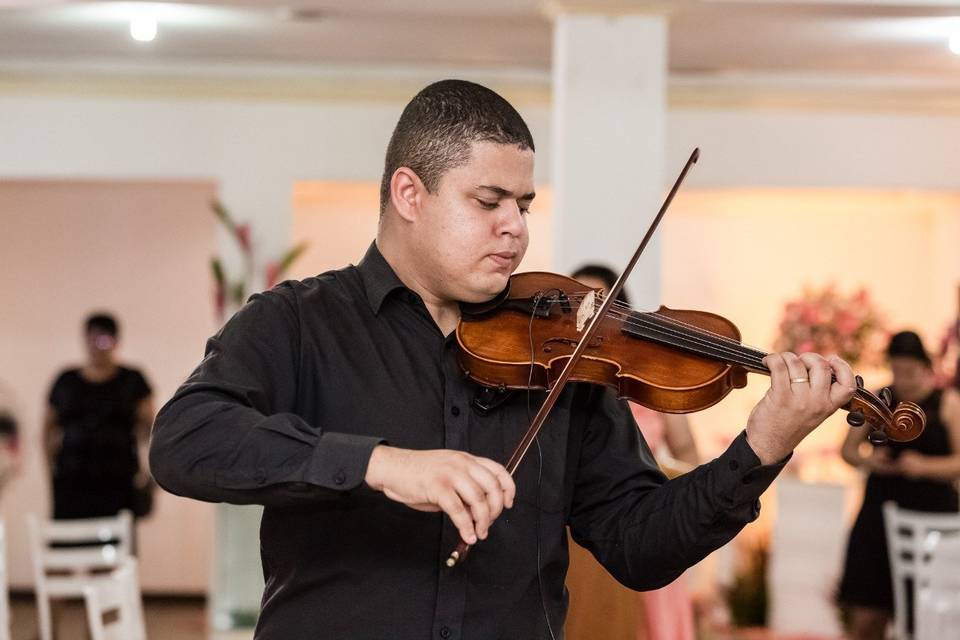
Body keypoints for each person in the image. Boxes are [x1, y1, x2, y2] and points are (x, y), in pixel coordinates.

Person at [150, 79, 856, 640]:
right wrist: (380, 463)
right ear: (409, 194)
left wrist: (764, 444)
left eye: (523, 202)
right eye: (488, 201)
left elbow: (640, 547)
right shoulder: (298, 322)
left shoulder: (566, 355)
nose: (515, 228)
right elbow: (184, 441)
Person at [565, 264, 699, 640]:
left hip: (639, 522)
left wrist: (676, 501)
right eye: (576, 301)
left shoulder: (644, 374)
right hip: (578, 535)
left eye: (599, 302)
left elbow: (686, 450)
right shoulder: (557, 373)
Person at [838, 330, 960, 640]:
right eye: (896, 370)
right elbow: (849, 451)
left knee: (926, 613)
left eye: (909, 370)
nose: (902, 377)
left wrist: (924, 467)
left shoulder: (948, 403)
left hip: (933, 517)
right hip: (879, 513)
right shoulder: (880, 398)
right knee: (868, 614)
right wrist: (871, 461)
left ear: (924, 366)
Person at [45, 313, 155, 521]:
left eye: (103, 340)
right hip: (72, 482)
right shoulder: (66, 381)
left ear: (115, 341)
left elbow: (150, 428)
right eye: (92, 339)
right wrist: (52, 473)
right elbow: (48, 430)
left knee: (118, 545)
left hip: (118, 481)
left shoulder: (132, 381)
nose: (97, 347)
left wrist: (151, 476)